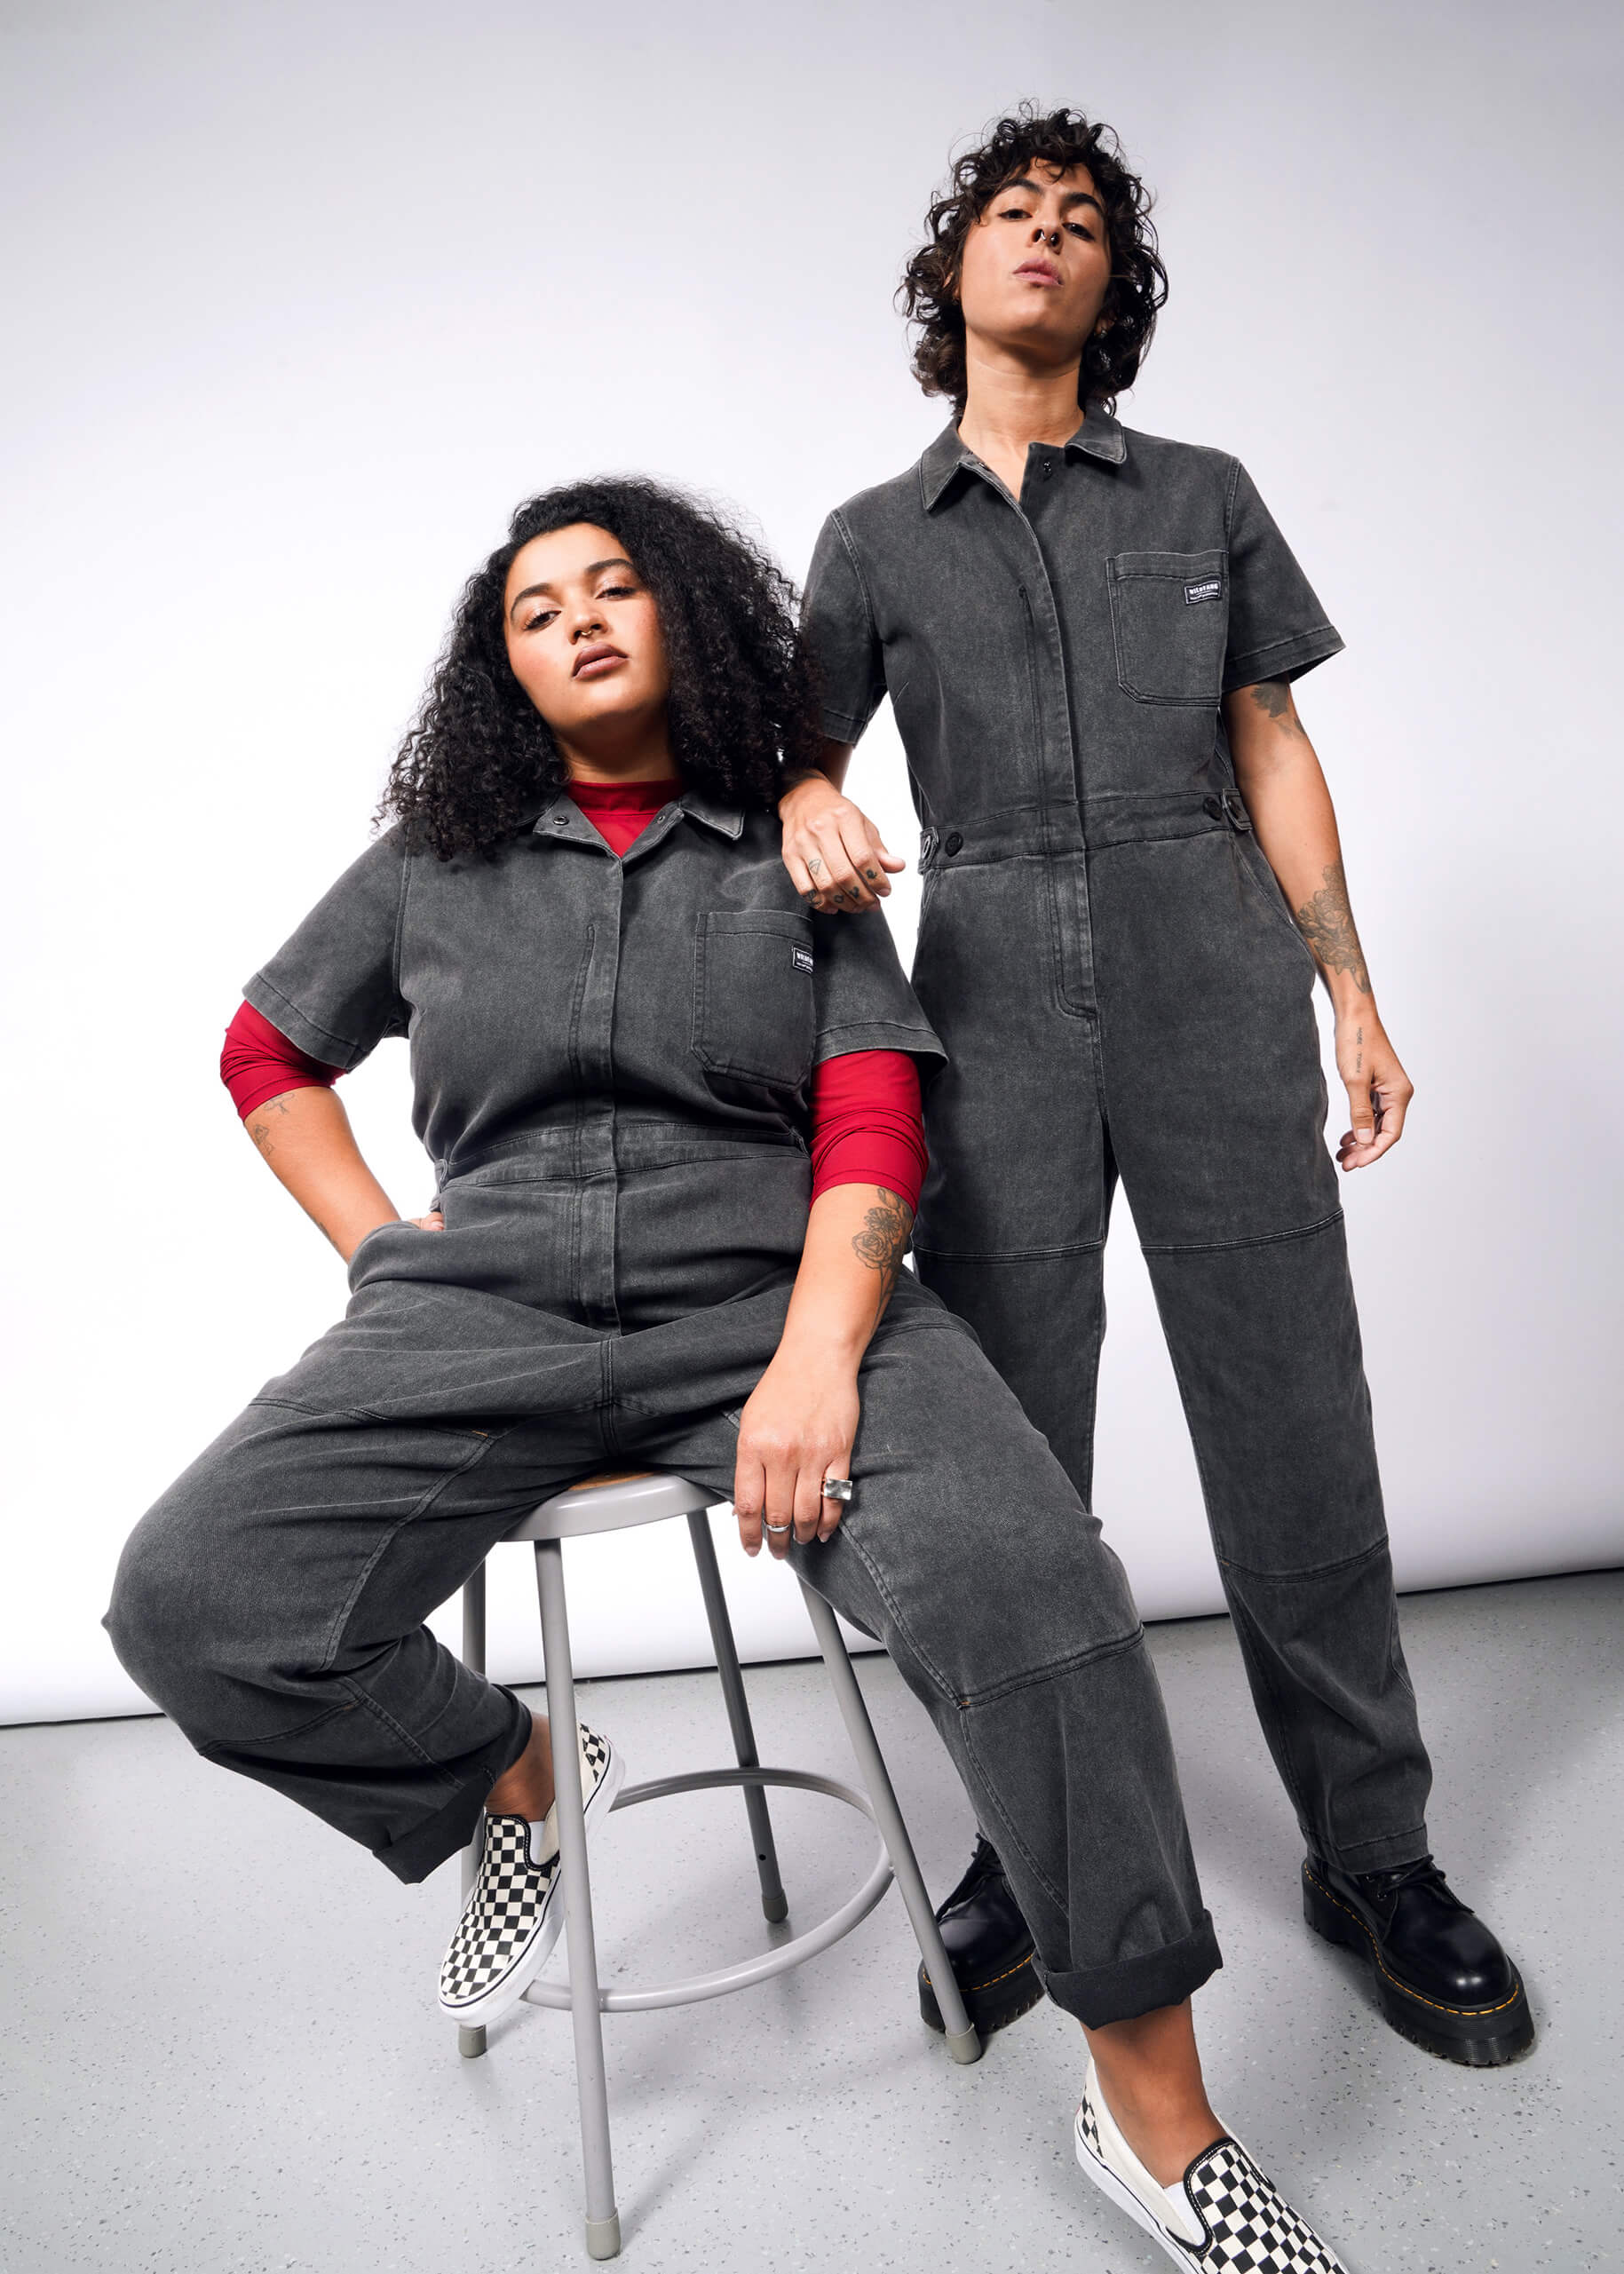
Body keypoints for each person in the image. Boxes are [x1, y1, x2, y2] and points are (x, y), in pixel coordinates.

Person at [107, 477, 1354, 2268]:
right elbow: (264, 1048)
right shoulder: (428, 863)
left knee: (1040, 1587)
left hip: (773, 1289)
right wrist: (388, 1252)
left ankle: (1153, 2115)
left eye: (615, 587)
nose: (581, 621)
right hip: (490, 1300)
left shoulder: (801, 841)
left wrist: (818, 1362)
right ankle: (518, 1781)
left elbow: (871, 1112)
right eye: (537, 610)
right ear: (502, 668)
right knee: (192, 1598)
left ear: (685, 613)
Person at [782, 105, 1532, 2071]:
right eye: (1012, 215)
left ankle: (1377, 1853)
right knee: (1014, 1470)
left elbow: (1271, 740)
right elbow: (788, 767)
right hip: (993, 1004)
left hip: (1216, 978)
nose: (1046, 234)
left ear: (1116, 288)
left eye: (1083, 220)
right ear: (954, 277)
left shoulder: (1203, 494)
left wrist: (1353, 995)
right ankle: (1031, 1859)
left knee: (1298, 1439)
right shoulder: (869, 543)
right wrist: (803, 793)